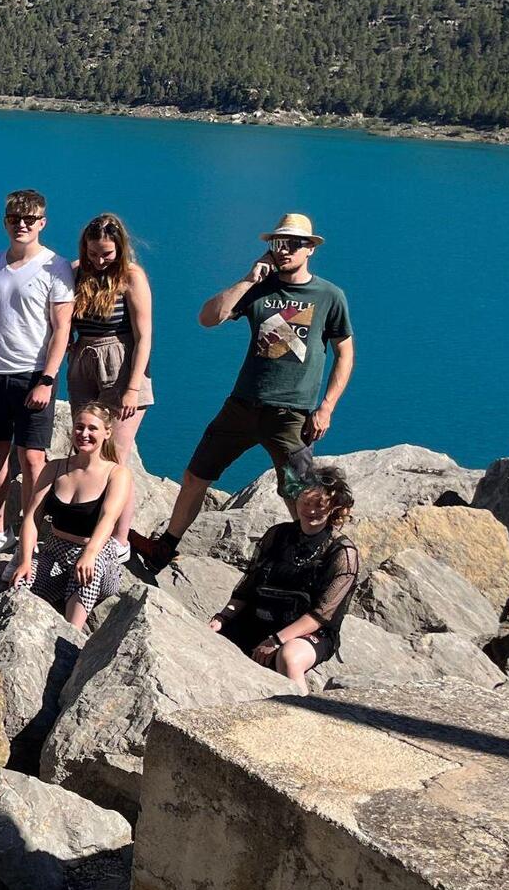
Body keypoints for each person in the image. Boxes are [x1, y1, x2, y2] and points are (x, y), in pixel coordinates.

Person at [140, 214, 354, 571]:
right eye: (278, 243)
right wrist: (247, 280)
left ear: (310, 249)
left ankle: (308, 563)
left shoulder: (329, 296)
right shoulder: (258, 289)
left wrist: (327, 406)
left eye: (294, 244)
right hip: (241, 407)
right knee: (195, 477)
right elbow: (209, 317)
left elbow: (345, 353)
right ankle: (166, 546)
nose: (285, 250)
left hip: (292, 415)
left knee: (297, 494)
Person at [0, 189, 75, 569]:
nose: (22, 225)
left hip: (32, 376)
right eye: (14, 219)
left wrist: (47, 378)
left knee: (32, 458)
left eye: (30, 219)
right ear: (5, 222)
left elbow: (62, 328)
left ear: (43, 222)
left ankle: (30, 536)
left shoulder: (55, 267)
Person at [210, 466, 360, 694]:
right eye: (305, 503)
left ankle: (304, 720)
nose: (311, 511)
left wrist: (277, 640)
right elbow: (248, 588)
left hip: (308, 631)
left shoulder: (342, 553)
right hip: (260, 617)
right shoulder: (277, 535)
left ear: (334, 507)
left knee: (289, 657)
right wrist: (222, 617)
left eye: (319, 505)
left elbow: (322, 614)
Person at [7, 402, 134, 631]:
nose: (84, 434)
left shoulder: (117, 474)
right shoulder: (55, 468)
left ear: (107, 433)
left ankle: (71, 636)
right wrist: (25, 560)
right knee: (20, 585)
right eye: (79, 427)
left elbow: (108, 518)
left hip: (96, 553)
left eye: (92, 429)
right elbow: (32, 517)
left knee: (88, 575)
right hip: (54, 550)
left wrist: (89, 554)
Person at [69, 213, 153, 543]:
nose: (100, 260)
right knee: (88, 451)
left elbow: (144, 335)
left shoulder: (131, 276)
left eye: (106, 254)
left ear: (120, 248)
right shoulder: (78, 273)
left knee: (116, 456)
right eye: (93, 253)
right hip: (84, 363)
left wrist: (132, 388)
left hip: (121, 363)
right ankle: (85, 530)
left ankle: (119, 540)